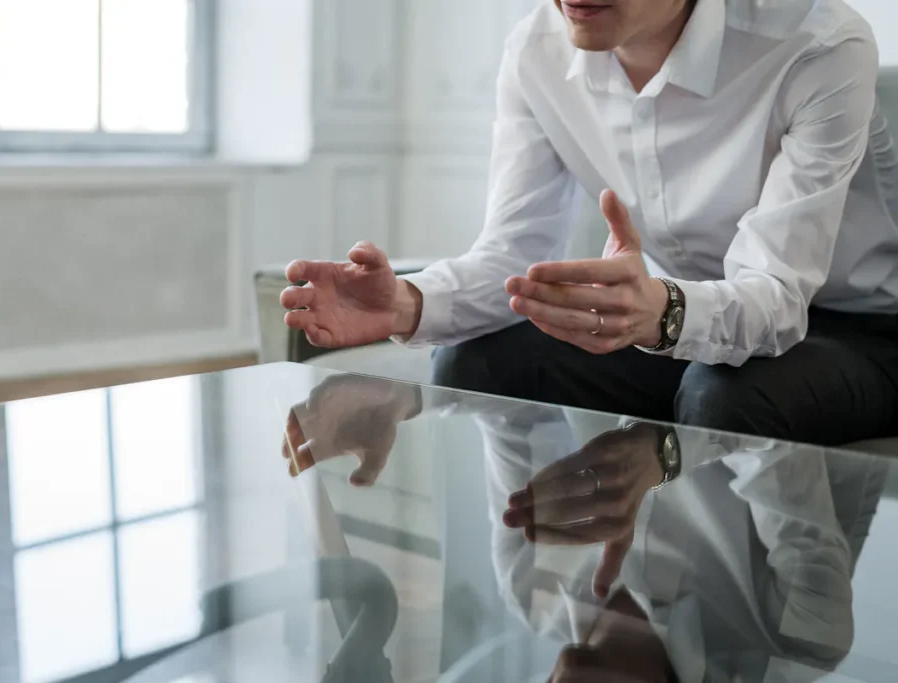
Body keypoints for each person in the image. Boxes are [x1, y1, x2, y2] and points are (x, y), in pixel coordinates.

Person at [280, 0, 898, 446]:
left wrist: (661, 312)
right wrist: (408, 303)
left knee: (724, 394)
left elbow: (778, 295)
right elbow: (513, 255)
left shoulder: (818, 46)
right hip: (695, 319)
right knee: (478, 361)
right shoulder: (535, 50)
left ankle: (721, 624)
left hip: (863, 330)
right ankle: (589, 560)